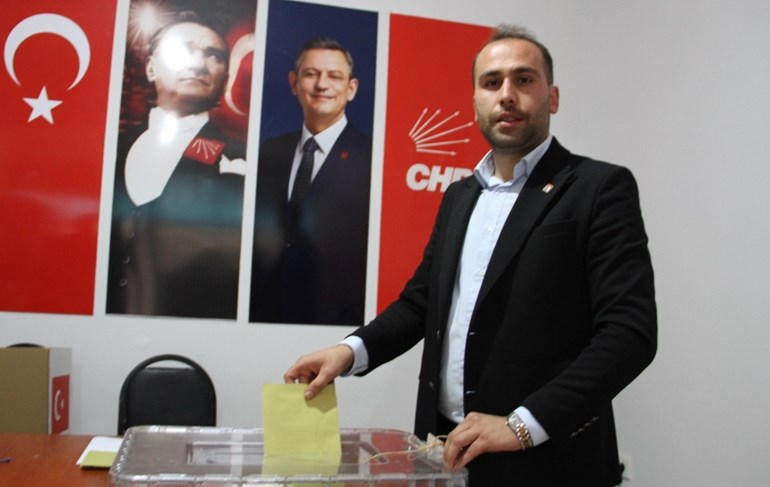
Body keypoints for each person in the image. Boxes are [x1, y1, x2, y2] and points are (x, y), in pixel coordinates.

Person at [283, 24, 657, 486]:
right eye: (491, 82)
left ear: (553, 97)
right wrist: (348, 352)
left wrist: (523, 425)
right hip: (446, 450)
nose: (507, 95)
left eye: (524, 79)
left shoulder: (599, 188)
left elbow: (630, 334)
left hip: (549, 461)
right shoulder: (460, 196)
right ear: (476, 101)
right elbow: (420, 304)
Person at [107, 16, 246, 319]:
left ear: (225, 80)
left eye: (213, 55)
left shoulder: (242, 158)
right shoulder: (111, 148)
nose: (198, 64)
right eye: (184, 50)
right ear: (151, 68)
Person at [250, 37, 372, 326]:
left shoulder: (373, 157)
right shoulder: (269, 151)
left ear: (351, 88)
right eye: (311, 74)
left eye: (334, 76)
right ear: (294, 83)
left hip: (335, 323)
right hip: (264, 318)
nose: (322, 85)